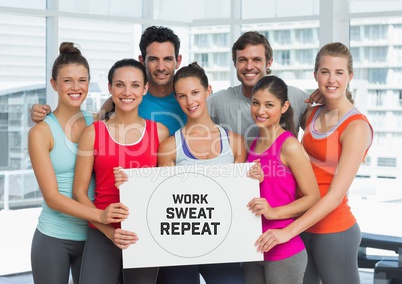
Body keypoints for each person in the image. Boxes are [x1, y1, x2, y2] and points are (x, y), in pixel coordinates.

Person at [254, 42, 373, 284]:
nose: (331, 79)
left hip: (334, 230)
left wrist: (287, 231)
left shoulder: (357, 127)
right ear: (315, 74)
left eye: (339, 73)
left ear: (350, 76)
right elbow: (285, 146)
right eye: (325, 72)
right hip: (302, 228)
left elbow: (335, 196)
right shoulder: (312, 114)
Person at [28, 42, 129, 284]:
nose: (76, 87)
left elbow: (122, 95)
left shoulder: (96, 122)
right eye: (68, 81)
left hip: (94, 237)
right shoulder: (41, 133)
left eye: (82, 80)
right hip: (54, 237)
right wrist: (100, 215)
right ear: (54, 84)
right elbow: (52, 197)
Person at [72, 58, 169, 283]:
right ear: (110, 88)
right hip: (101, 232)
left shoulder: (160, 133)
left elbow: (166, 188)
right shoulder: (92, 133)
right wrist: (108, 230)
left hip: (144, 233)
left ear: (145, 88)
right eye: (119, 85)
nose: (127, 92)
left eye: (135, 85)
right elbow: (79, 192)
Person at [156, 62, 247, 284]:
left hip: (223, 242)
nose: (190, 101)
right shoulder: (169, 146)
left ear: (208, 91)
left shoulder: (235, 142)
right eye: (182, 96)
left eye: (195, 92)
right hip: (180, 245)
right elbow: (165, 200)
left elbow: (240, 197)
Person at [30, 26, 187, 135]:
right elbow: (89, 122)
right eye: (153, 59)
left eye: (167, 59)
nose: (161, 67)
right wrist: (48, 115)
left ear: (178, 61)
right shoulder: (121, 99)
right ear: (142, 60)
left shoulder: (190, 99)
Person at [243, 75, 320, 284]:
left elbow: (313, 197)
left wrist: (273, 212)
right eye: (256, 103)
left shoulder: (290, 146)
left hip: (283, 249)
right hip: (253, 248)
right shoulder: (254, 145)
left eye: (269, 105)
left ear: (284, 107)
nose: (260, 111)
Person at [207, 31, 313, 142]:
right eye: (242, 60)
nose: (249, 67)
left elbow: (324, 130)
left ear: (269, 63)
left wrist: (325, 95)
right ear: (235, 63)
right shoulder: (217, 102)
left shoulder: (295, 97)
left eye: (256, 60)